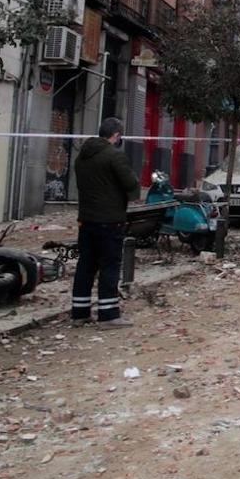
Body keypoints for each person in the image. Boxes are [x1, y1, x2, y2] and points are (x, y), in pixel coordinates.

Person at [70, 117, 140, 328]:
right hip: (110, 220)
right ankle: (109, 314)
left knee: (86, 265)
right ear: (116, 135)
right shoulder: (114, 157)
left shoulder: (81, 157)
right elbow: (131, 185)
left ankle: (79, 312)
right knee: (110, 265)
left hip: (86, 219)